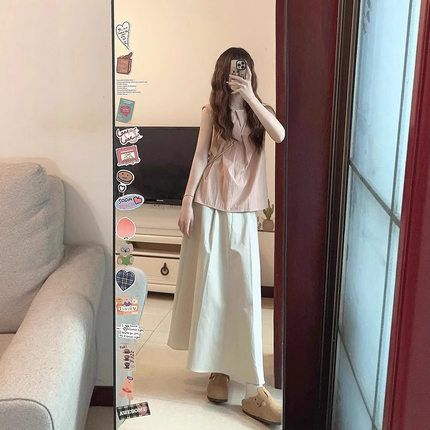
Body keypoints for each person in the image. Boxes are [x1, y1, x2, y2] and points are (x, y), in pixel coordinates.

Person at [167, 47, 285, 425]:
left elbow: (280, 134)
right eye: (234, 70)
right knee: (213, 290)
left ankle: (254, 388)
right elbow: (200, 157)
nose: (239, 74)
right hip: (210, 205)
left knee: (245, 294)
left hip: (244, 211)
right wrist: (186, 202)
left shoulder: (260, 111)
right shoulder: (211, 112)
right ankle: (218, 369)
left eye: (244, 69)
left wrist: (250, 96)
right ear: (223, 72)